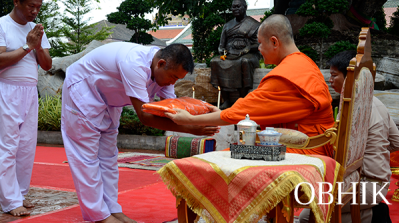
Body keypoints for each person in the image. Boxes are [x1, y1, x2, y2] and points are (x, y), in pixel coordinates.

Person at [61, 42, 219, 223]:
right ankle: (99, 216)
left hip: (109, 101)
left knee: (108, 157)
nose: (172, 83)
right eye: (173, 77)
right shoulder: (134, 64)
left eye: (177, 80)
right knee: (87, 157)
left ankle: (112, 210)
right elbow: (146, 117)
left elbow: (174, 110)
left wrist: (205, 112)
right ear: (160, 64)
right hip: (83, 91)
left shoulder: (163, 74)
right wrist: (189, 128)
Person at [167, 14, 335, 157]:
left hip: (304, 149)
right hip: (310, 143)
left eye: (260, 43)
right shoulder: (305, 64)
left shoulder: (285, 75)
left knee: (219, 159)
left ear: (274, 42)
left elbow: (241, 111)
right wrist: (226, 113)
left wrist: (190, 119)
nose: (259, 49)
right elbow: (251, 110)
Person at [299, 50, 399, 222]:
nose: (329, 80)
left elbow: (342, 154)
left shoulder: (349, 107)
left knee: (308, 216)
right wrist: (374, 150)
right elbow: (397, 142)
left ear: (349, 77)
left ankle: (372, 213)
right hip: (381, 183)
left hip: (362, 185)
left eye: (334, 75)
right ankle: (374, 214)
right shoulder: (376, 102)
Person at [0, 0, 52, 217]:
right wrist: (27, 47)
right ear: (17, 2)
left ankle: (19, 194)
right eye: (31, 5)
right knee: (8, 146)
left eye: (39, 6)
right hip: (7, 90)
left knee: (26, 147)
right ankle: (10, 200)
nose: (35, 11)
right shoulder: (2, 24)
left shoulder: (36, 29)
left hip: (30, 93)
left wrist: (38, 46)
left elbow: (47, 65)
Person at [210, 0, 261, 109]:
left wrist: (247, 49)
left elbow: (259, 44)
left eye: (238, 6)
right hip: (230, 54)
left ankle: (242, 99)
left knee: (244, 61)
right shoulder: (228, 25)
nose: (235, 9)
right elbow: (221, 44)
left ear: (245, 7)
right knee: (215, 61)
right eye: (233, 7)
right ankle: (227, 100)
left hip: (249, 54)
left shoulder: (254, 25)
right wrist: (222, 50)